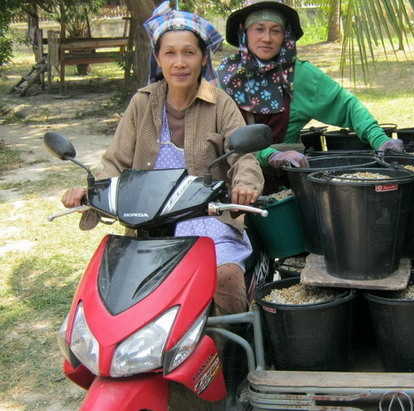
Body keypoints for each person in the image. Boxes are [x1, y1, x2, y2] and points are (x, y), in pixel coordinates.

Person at [61, 1, 264, 316]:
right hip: (148, 222)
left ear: (202, 58)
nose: (179, 62)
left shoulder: (220, 103)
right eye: (170, 53)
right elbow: (115, 161)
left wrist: (245, 185)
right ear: (157, 58)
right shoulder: (141, 104)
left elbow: (243, 157)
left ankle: (230, 355)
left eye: (188, 52)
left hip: (207, 219)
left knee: (225, 277)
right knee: (117, 287)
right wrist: (90, 192)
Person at [217, 0, 405, 171]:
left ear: (285, 36)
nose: (267, 38)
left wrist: (380, 139)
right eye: (259, 29)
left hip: (285, 178)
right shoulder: (226, 77)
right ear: (244, 32)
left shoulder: (301, 75)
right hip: (235, 178)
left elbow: (347, 106)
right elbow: (222, 135)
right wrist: (270, 155)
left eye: (276, 30)